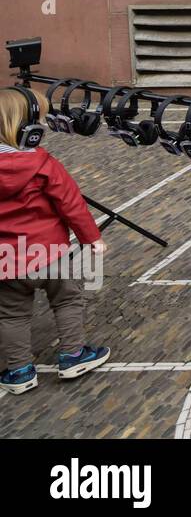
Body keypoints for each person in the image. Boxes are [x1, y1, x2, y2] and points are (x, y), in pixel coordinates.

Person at [0, 86, 110, 395]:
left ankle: (19, 371)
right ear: (30, 130)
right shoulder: (43, 163)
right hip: (50, 254)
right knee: (67, 300)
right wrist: (93, 239)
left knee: (12, 314)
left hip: (8, 262)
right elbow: (71, 203)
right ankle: (73, 355)